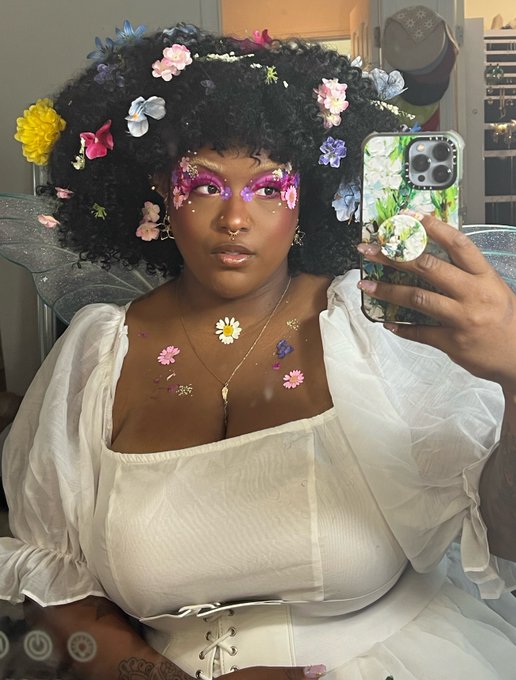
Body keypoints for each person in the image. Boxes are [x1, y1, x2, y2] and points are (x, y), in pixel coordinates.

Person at [2, 19, 516, 680]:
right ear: (159, 187)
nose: (236, 219)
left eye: (270, 188)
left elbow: (502, 536)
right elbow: (57, 581)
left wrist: (515, 376)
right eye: (205, 185)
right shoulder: (95, 357)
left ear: (309, 198)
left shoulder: (375, 329)